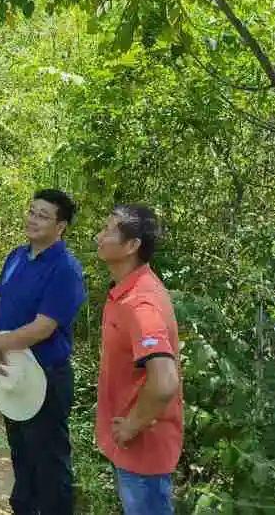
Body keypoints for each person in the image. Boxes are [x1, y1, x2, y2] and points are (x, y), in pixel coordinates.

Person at [0, 189, 87, 514]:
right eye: (32, 211)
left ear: (61, 226)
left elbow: (44, 327)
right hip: (12, 371)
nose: (33, 219)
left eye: (43, 215)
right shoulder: (16, 257)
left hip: (46, 377)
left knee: (50, 463)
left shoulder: (65, 269)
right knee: (21, 453)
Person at [94, 204, 183, 515]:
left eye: (109, 230)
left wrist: (132, 425)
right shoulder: (125, 291)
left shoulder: (140, 303)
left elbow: (165, 382)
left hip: (144, 450)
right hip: (131, 448)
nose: (98, 237)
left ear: (132, 246)